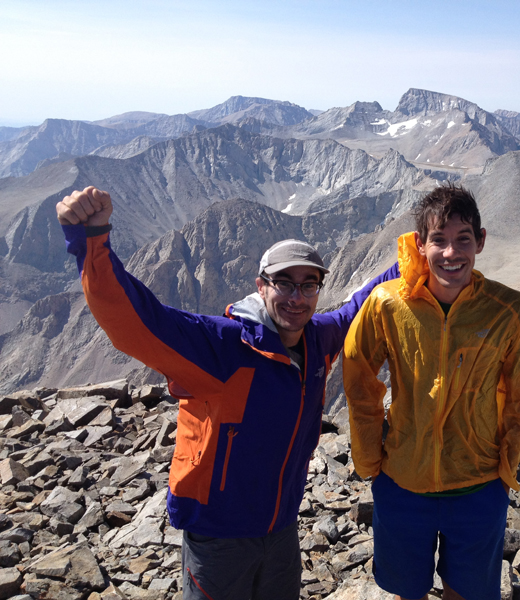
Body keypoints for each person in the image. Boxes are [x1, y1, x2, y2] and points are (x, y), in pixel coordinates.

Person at [56, 186, 399, 600]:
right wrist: (92, 240)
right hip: (219, 534)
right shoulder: (222, 346)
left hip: (281, 527)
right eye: (284, 284)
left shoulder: (317, 340)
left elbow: (357, 305)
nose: (297, 297)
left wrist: (419, 254)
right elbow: (135, 321)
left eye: (309, 286)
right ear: (261, 286)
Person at [343, 184, 520, 600]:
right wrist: (370, 460)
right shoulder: (387, 304)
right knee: (406, 591)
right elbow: (359, 379)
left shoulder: (509, 310)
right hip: (402, 483)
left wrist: (506, 468)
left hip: (478, 485)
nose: (451, 253)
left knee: (465, 594)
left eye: (463, 239)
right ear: (420, 244)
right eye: (439, 240)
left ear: (480, 241)